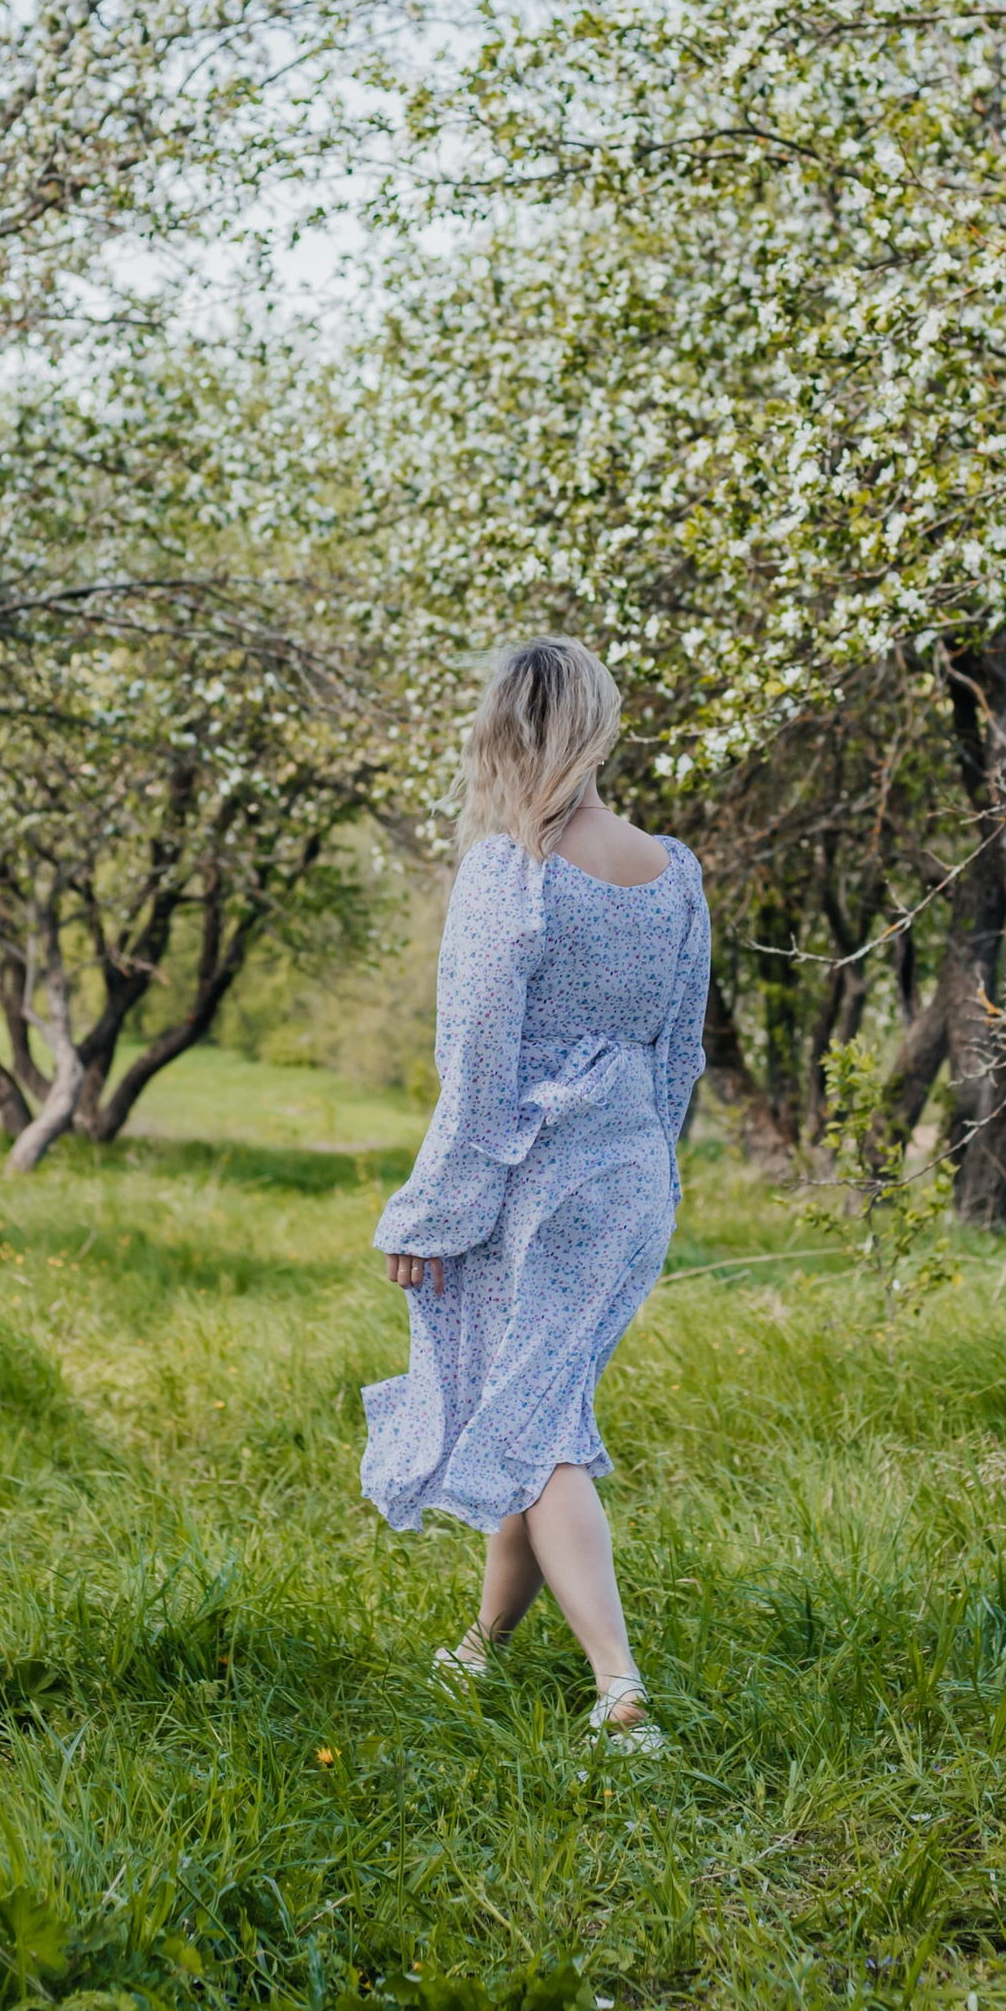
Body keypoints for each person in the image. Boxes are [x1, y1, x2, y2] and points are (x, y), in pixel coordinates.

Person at [362, 635, 708, 1751]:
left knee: (539, 1423)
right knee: (533, 1404)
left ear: (500, 732)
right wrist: (652, 1175)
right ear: (599, 726)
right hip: (631, 1177)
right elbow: (678, 1058)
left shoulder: (508, 871)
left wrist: (427, 1214)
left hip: (539, 1183)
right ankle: (478, 1651)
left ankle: (619, 1690)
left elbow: (478, 1063)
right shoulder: (676, 874)